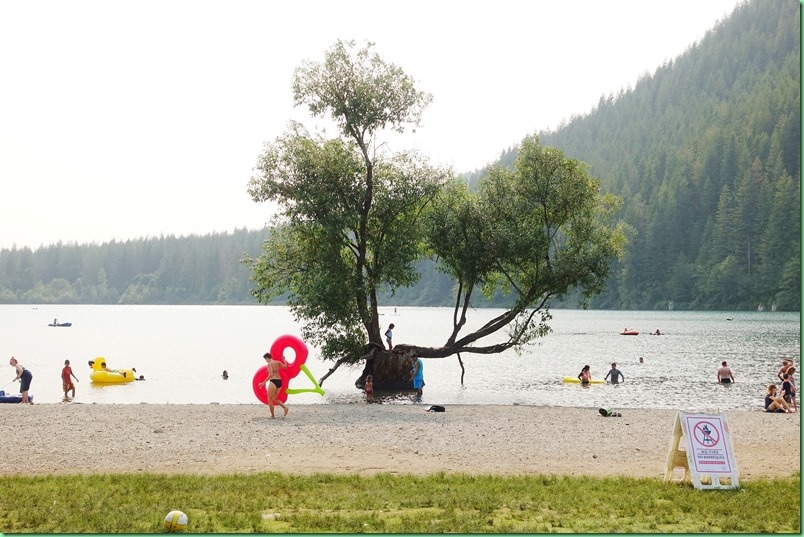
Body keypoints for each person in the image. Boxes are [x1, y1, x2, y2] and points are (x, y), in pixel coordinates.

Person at [257, 352, 289, 418]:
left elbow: (271, 374)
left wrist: (263, 383)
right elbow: (285, 367)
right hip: (279, 382)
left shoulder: (269, 364)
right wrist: (284, 360)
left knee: (269, 399)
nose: (266, 361)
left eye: (265, 359)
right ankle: (285, 408)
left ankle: (273, 416)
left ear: (267, 358)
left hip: (273, 382)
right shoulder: (278, 362)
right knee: (275, 398)